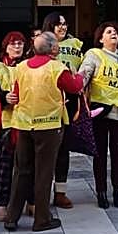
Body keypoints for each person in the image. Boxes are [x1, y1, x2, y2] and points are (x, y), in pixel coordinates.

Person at [3, 31, 85, 232]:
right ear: (53, 48)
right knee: (44, 172)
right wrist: (81, 75)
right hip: (48, 126)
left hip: (23, 124)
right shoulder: (57, 67)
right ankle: (42, 218)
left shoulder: (21, 67)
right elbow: (75, 87)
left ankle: (11, 217)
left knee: (21, 171)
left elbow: (17, 93)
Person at [79, 22, 118, 209]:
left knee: (117, 152)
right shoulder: (94, 54)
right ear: (101, 38)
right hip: (100, 111)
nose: (113, 34)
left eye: (115, 31)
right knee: (100, 153)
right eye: (109, 32)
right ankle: (101, 191)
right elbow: (83, 75)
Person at [43, 11, 82, 209]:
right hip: (47, 101)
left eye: (65, 23)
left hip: (70, 101)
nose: (62, 27)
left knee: (63, 150)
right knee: (47, 150)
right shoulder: (41, 45)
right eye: (58, 24)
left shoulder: (76, 45)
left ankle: (60, 192)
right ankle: (41, 193)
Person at [0, 31, 27, 221]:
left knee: (27, 164)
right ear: (6, 46)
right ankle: (3, 203)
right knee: (6, 164)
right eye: (13, 44)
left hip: (27, 120)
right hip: (6, 121)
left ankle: (28, 201)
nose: (17, 47)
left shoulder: (29, 65)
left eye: (20, 44)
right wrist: (4, 97)